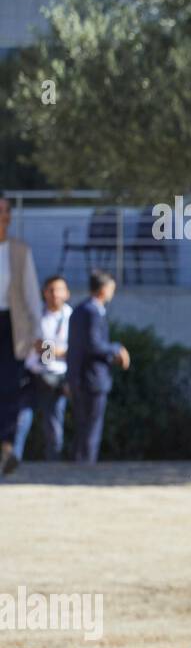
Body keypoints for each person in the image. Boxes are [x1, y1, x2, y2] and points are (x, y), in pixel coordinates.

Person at [66, 269, 129, 464]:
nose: (113, 291)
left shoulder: (78, 310)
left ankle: (80, 463)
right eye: (111, 287)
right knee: (91, 427)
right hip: (93, 377)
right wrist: (117, 349)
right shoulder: (92, 312)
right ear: (102, 289)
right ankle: (87, 465)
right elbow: (93, 345)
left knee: (82, 426)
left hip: (78, 377)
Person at [0, 192, 43, 475]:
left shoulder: (19, 250)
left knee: (8, 388)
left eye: (5, 211)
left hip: (10, 326)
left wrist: (38, 335)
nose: (2, 217)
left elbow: (31, 295)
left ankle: (5, 446)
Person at [13, 275, 73, 464]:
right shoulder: (34, 313)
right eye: (50, 290)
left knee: (53, 426)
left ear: (67, 293)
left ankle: (53, 466)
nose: (55, 294)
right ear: (44, 293)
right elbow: (28, 342)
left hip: (56, 378)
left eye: (59, 289)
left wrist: (50, 349)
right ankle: (12, 461)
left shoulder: (72, 316)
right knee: (21, 420)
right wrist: (54, 350)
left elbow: (74, 350)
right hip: (32, 375)